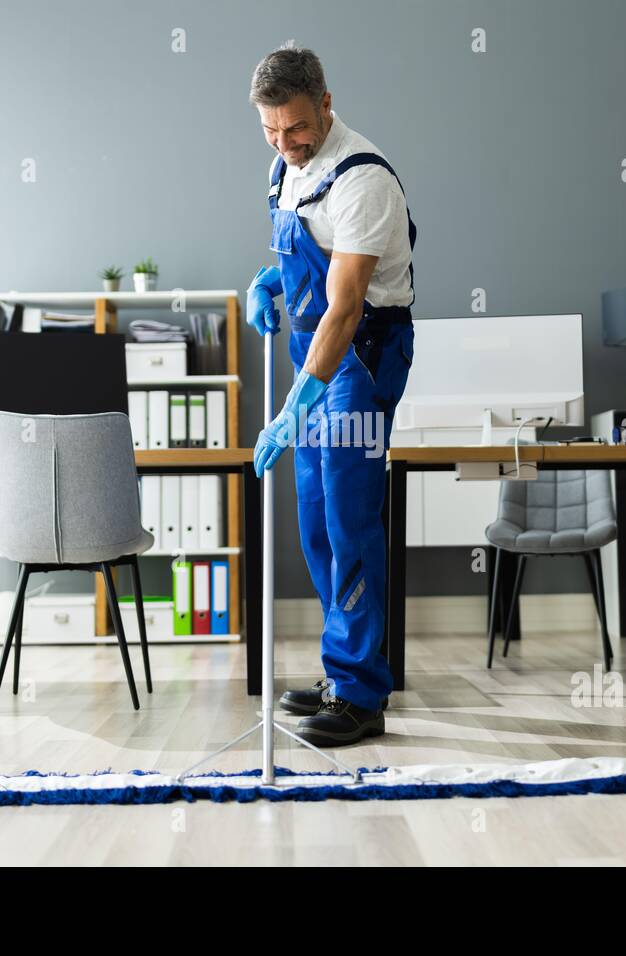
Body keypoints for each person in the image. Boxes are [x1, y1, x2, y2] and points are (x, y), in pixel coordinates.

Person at [246, 41, 417, 747]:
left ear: (326, 102)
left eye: (296, 129)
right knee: (316, 522)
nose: (286, 144)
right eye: (271, 132)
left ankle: (362, 697)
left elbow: (346, 307)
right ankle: (342, 670)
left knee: (349, 519)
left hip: (361, 354)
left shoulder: (362, 179)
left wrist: (297, 403)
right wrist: (272, 281)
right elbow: (305, 258)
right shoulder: (289, 168)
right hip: (313, 350)